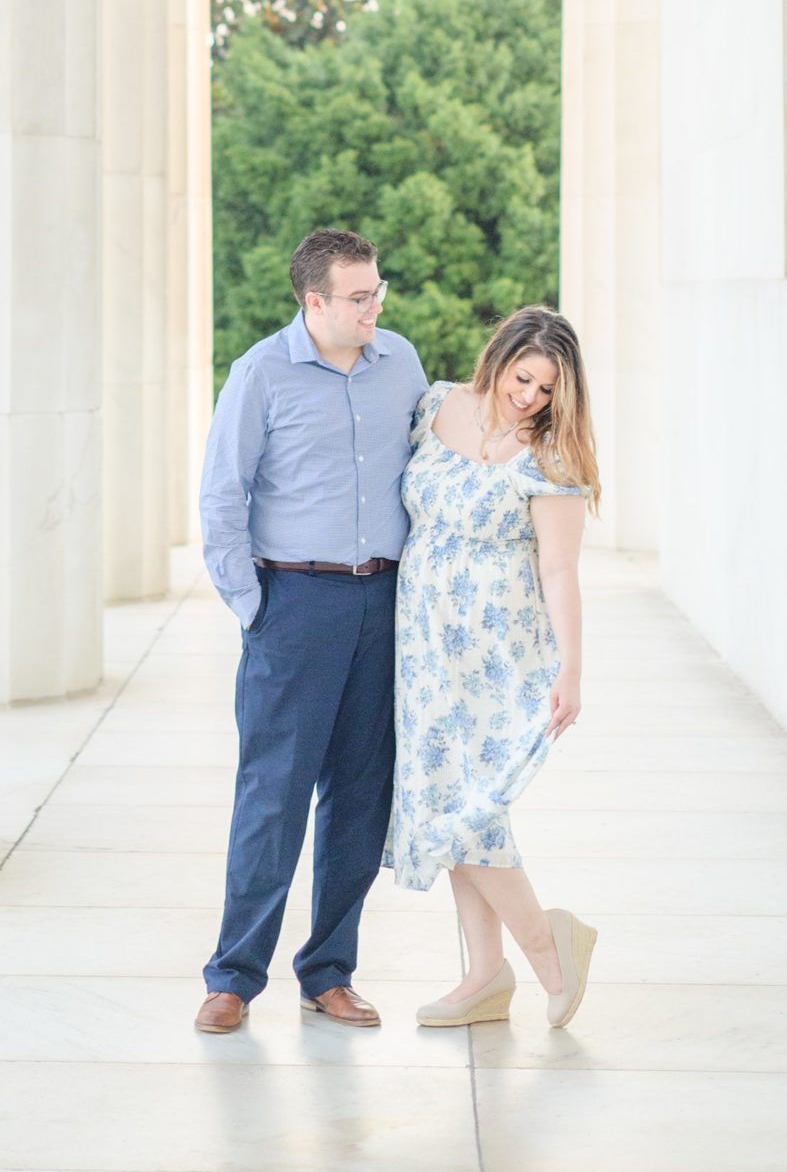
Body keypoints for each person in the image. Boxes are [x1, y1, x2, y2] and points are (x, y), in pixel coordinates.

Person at [194, 228, 427, 1034]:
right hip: (294, 604)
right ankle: (232, 977)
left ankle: (328, 972)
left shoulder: (400, 363)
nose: (375, 307)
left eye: (377, 292)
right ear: (314, 301)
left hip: (383, 603)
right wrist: (254, 607)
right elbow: (223, 496)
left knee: (361, 797)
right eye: (358, 296)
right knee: (272, 797)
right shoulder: (259, 373)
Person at [387, 305, 601, 1029]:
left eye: (546, 389)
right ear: (498, 358)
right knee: (453, 806)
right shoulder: (433, 407)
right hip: (422, 647)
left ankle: (545, 952)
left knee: (468, 808)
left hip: (497, 653)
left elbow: (559, 570)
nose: (529, 398)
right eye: (522, 378)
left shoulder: (551, 455)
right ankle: (483, 975)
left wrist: (570, 668)